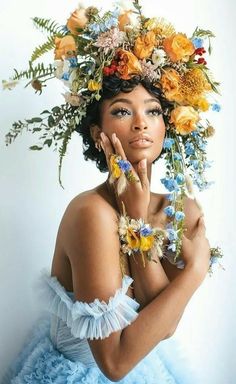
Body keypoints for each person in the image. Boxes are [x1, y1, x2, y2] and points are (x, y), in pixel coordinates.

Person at [2, 2, 222, 383]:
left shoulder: (179, 209)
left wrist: (138, 218)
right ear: (97, 133)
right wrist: (195, 271)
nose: (141, 124)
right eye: (122, 111)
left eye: (153, 111)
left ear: (168, 126)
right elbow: (117, 362)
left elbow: (161, 324)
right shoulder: (91, 213)